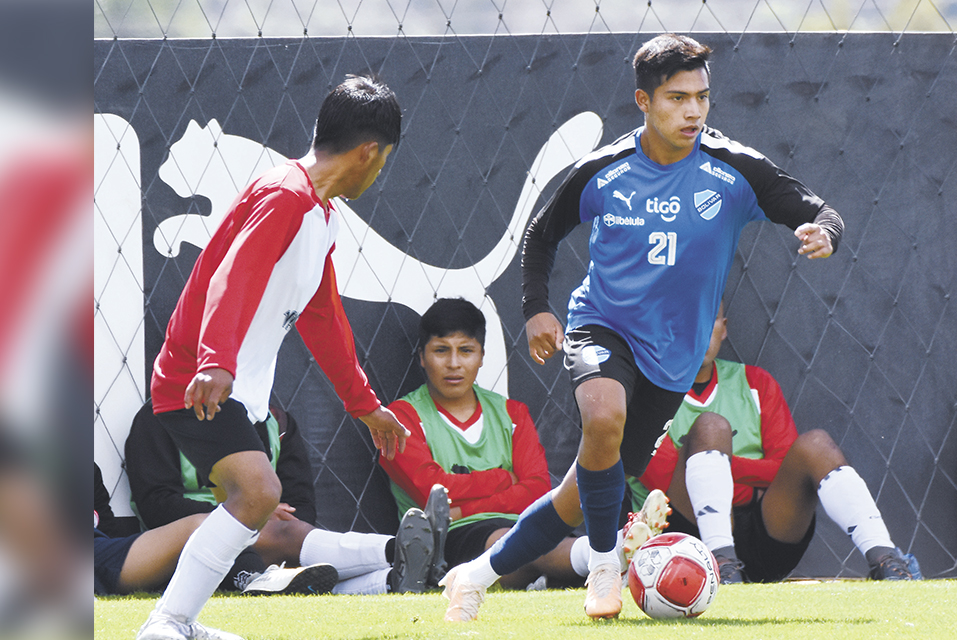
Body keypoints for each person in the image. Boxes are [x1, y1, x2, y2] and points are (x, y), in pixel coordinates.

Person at [440, 33, 843, 622]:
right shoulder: (602, 170)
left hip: (672, 362)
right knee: (602, 415)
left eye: (702, 97)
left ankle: (472, 577)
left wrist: (826, 232)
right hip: (601, 327)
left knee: (575, 501)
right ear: (643, 101)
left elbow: (815, 207)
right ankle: (605, 567)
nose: (693, 111)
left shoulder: (734, 168)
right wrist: (536, 309)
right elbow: (541, 235)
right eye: (677, 98)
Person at [137, 75, 413, 640]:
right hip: (197, 378)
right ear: (370, 152)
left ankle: (181, 622)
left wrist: (365, 405)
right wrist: (215, 359)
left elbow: (323, 318)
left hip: (232, 387)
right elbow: (231, 276)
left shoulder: (320, 214)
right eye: (383, 160)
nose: (379, 171)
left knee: (255, 502)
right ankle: (165, 622)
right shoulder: (285, 194)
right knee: (260, 492)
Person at [380, 298, 667, 590]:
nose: (454, 363)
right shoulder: (399, 418)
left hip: (523, 527)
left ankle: (616, 558)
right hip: (448, 539)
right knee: (527, 546)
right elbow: (433, 492)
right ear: (421, 357)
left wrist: (465, 506)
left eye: (465, 350)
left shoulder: (512, 413)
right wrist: (504, 478)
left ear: (481, 356)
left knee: (538, 543)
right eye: (441, 351)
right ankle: (618, 549)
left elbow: (537, 489)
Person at [629, 308, 921, 583]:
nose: (699, 331)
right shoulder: (645, 392)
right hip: (684, 543)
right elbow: (663, 482)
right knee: (711, 426)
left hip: (765, 536)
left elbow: (784, 467)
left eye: (709, 319)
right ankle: (722, 563)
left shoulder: (756, 382)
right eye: (686, 320)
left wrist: (714, 465)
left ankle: (888, 561)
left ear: (724, 328)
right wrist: (752, 484)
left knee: (816, 444)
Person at [126, 401, 443, 596]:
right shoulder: (157, 417)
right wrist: (248, 514)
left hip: (271, 543)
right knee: (279, 532)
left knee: (295, 546)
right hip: (186, 544)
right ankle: (401, 551)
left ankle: (391, 579)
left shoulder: (277, 420)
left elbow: (302, 505)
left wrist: (262, 518)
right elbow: (156, 505)